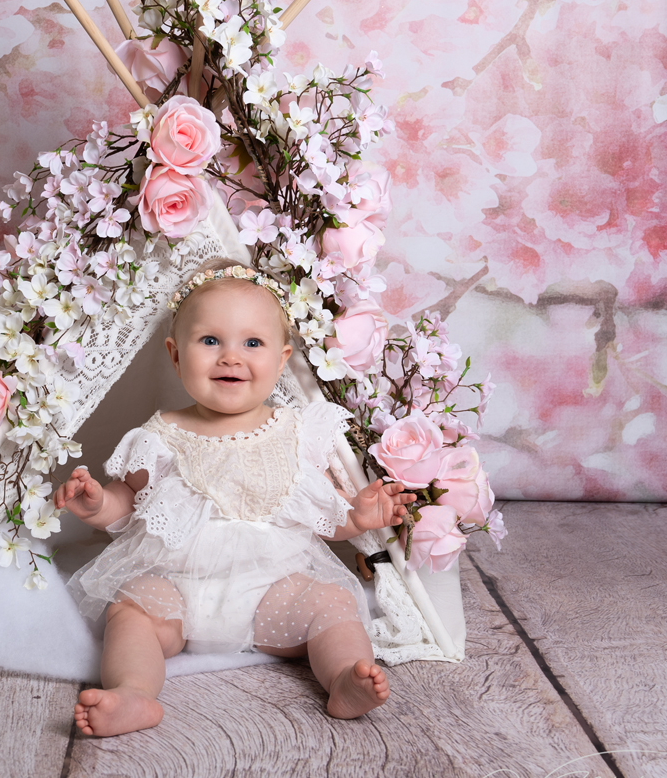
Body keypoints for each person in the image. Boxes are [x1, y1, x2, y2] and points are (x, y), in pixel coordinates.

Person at [54, 261, 415, 736]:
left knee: (331, 604)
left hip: (273, 589)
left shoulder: (296, 432)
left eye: (252, 343)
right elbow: (130, 503)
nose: (230, 357)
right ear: (176, 355)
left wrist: (360, 515)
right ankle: (134, 693)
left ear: (282, 358)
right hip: (175, 589)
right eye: (210, 341)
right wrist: (98, 505)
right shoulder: (162, 434)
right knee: (130, 613)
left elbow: (325, 517)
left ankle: (344, 677)